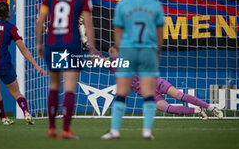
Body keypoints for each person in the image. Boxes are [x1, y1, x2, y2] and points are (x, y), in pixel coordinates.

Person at [79, 36, 224, 119]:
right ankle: (197, 111)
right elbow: (98, 57)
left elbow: (101, 58)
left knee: (179, 95)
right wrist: (87, 44)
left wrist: (87, 43)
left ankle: (211, 107)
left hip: (155, 83)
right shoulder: (112, 65)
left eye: (112, 50)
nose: (110, 52)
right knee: (165, 108)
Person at [101, 0, 164, 140]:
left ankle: (114, 130)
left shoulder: (123, 4)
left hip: (128, 51)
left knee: (121, 91)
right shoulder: (155, 5)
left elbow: (118, 33)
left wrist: (120, 52)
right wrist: (158, 52)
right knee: (149, 92)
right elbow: (160, 33)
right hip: (148, 51)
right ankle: (147, 132)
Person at [36, 0, 95, 140]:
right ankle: (66, 129)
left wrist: (39, 44)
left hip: (52, 43)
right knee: (69, 88)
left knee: (54, 85)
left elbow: (40, 21)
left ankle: (52, 128)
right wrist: (91, 49)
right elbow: (88, 23)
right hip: (71, 45)